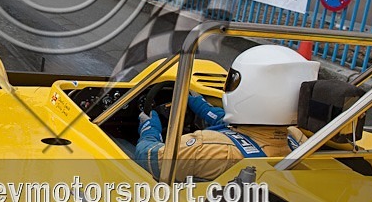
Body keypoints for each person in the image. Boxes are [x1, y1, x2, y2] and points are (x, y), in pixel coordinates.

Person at [135, 45, 319, 181]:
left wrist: (149, 128)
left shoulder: (206, 147)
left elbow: (147, 156)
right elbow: (247, 132)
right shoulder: (299, 141)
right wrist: (204, 108)